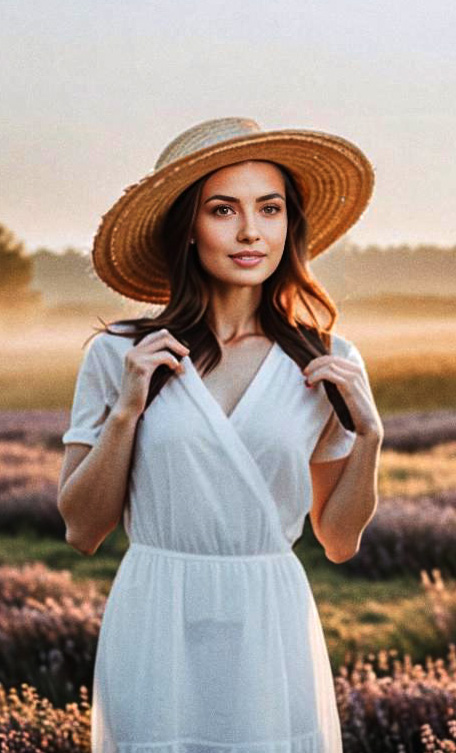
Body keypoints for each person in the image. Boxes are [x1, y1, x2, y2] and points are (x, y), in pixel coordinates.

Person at [57, 116, 382, 752]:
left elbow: (339, 541)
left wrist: (369, 436)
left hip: (270, 623)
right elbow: (81, 529)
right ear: (187, 229)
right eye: (222, 209)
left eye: (270, 209)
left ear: (290, 227)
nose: (250, 231)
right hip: (157, 618)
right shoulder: (120, 355)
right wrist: (126, 413)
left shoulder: (326, 360)